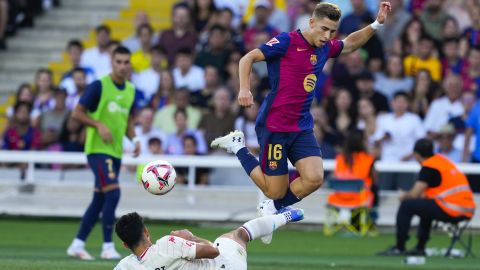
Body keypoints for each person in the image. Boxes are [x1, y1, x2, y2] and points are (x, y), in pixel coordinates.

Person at [211, 1, 392, 244]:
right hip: (275, 125)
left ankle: (273, 207)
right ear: (312, 22)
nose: (327, 36)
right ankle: (238, 147)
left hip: (302, 126)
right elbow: (248, 58)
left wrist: (377, 24)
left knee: (315, 178)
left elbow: (349, 44)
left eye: (332, 31)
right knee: (273, 188)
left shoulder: (325, 47)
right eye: (324, 29)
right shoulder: (287, 41)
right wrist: (245, 88)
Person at [66, 46, 140, 260]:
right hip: (97, 150)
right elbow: (77, 112)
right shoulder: (99, 86)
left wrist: (134, 139)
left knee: (99, 200)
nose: (123, 66)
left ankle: (77, 244)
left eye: (126, 62)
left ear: (130, 64)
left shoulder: (130, 90)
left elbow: (126, 119)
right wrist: (98, 124)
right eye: (119, 61)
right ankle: (108, 246)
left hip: (115, 152)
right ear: (112, 62)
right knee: (114, 193)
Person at [377, 138, 475, 256]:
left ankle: (400, 246)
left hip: (452, 209)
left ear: (416, 155)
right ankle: (419, 248)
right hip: (467, 209)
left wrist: (403, 195)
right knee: (425, 206)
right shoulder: (442, 161)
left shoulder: (429, 166)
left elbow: (414, 194)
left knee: (406, 205)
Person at [114, 209, 304, 269]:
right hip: (226, 266)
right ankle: (287, 216)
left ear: (124, 244)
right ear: (146, 231)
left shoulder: (125, 266)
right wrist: (191, 237)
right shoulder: (167, 244)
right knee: (237, 235)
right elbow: (214, 251)